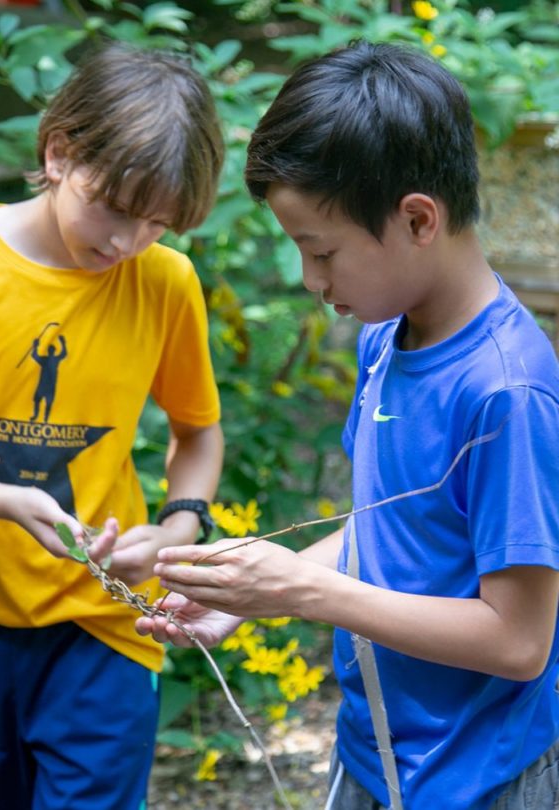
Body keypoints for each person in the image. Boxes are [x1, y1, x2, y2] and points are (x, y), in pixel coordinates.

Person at [142, 43, 559, 809]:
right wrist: (258, 582)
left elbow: (519, 642)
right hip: (373, 752)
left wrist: (305, 592)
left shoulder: (507, 393)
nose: (311, 281)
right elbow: (385, 529)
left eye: (321, 250)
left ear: (417, 219)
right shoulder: (386, 335)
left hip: (476, 779)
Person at [0, 44, 227, 807]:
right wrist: (8, 501)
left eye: (157, 223)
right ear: (59, 153)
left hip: (107, 626)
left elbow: (199, 432)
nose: (128, 243)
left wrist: (180, 526)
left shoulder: (165, 281)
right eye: (116, 208)